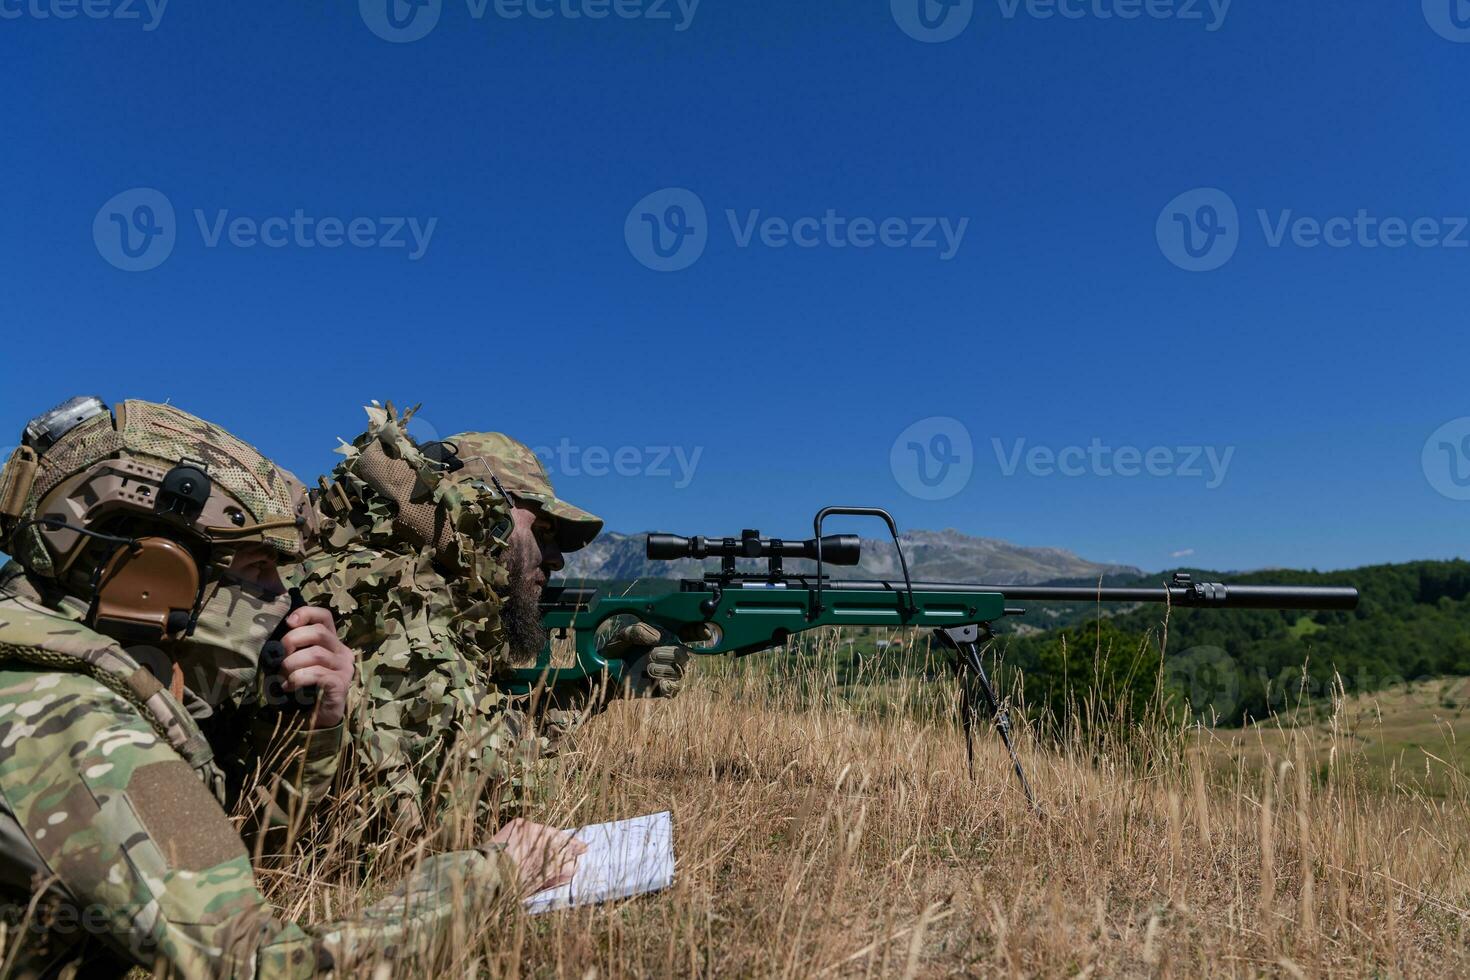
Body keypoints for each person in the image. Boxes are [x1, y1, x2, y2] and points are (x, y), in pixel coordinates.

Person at [0, 397, 581, 978]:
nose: (284, 598)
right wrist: (495, 873)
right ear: (154, 573)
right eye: (257, 571)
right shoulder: (79, 723)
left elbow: (229, 868)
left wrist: (319, 728)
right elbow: (258, 964)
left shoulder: (54, 683)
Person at [295, 406, 692, 850]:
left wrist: (600, 680)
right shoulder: (409, 623)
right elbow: (459, 820)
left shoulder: (430, 602)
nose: (557, 557)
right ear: (483, 518)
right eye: (541, 530)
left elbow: (484, 736)